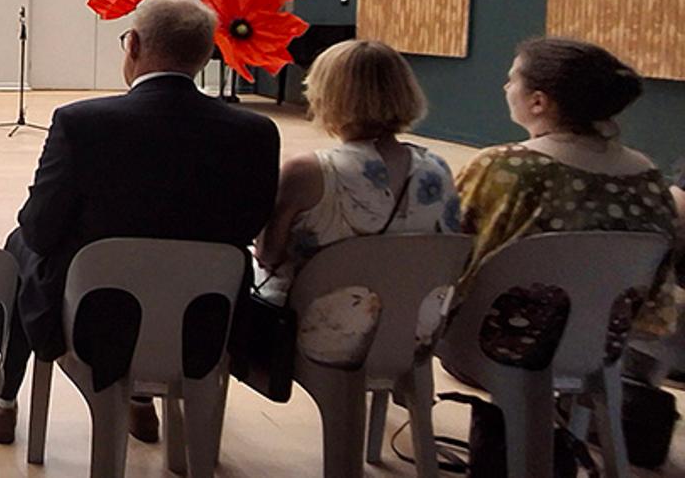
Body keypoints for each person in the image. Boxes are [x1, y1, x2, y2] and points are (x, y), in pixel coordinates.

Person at [0, 0, 280, 445]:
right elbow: (247, 229)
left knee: (19, 244)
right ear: (206, 55)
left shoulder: (81, 124)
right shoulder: (256, 133)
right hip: (203, 325)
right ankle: (141, 403)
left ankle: (3, 398)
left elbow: (41, 230)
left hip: (96, 321)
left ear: (135, 46)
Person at [453, 38, 682, 369]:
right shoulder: (648, 177)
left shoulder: (504, 168)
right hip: (601, 348)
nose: (505, 86)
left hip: (497, 345)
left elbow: (452, 249)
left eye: (512, 78)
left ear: (538, 102)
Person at [255, 40, 459, 368]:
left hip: (323, 336)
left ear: (327, 95)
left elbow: (269, 255)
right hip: (413, 333)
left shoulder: (308, 172)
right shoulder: (437, 169)